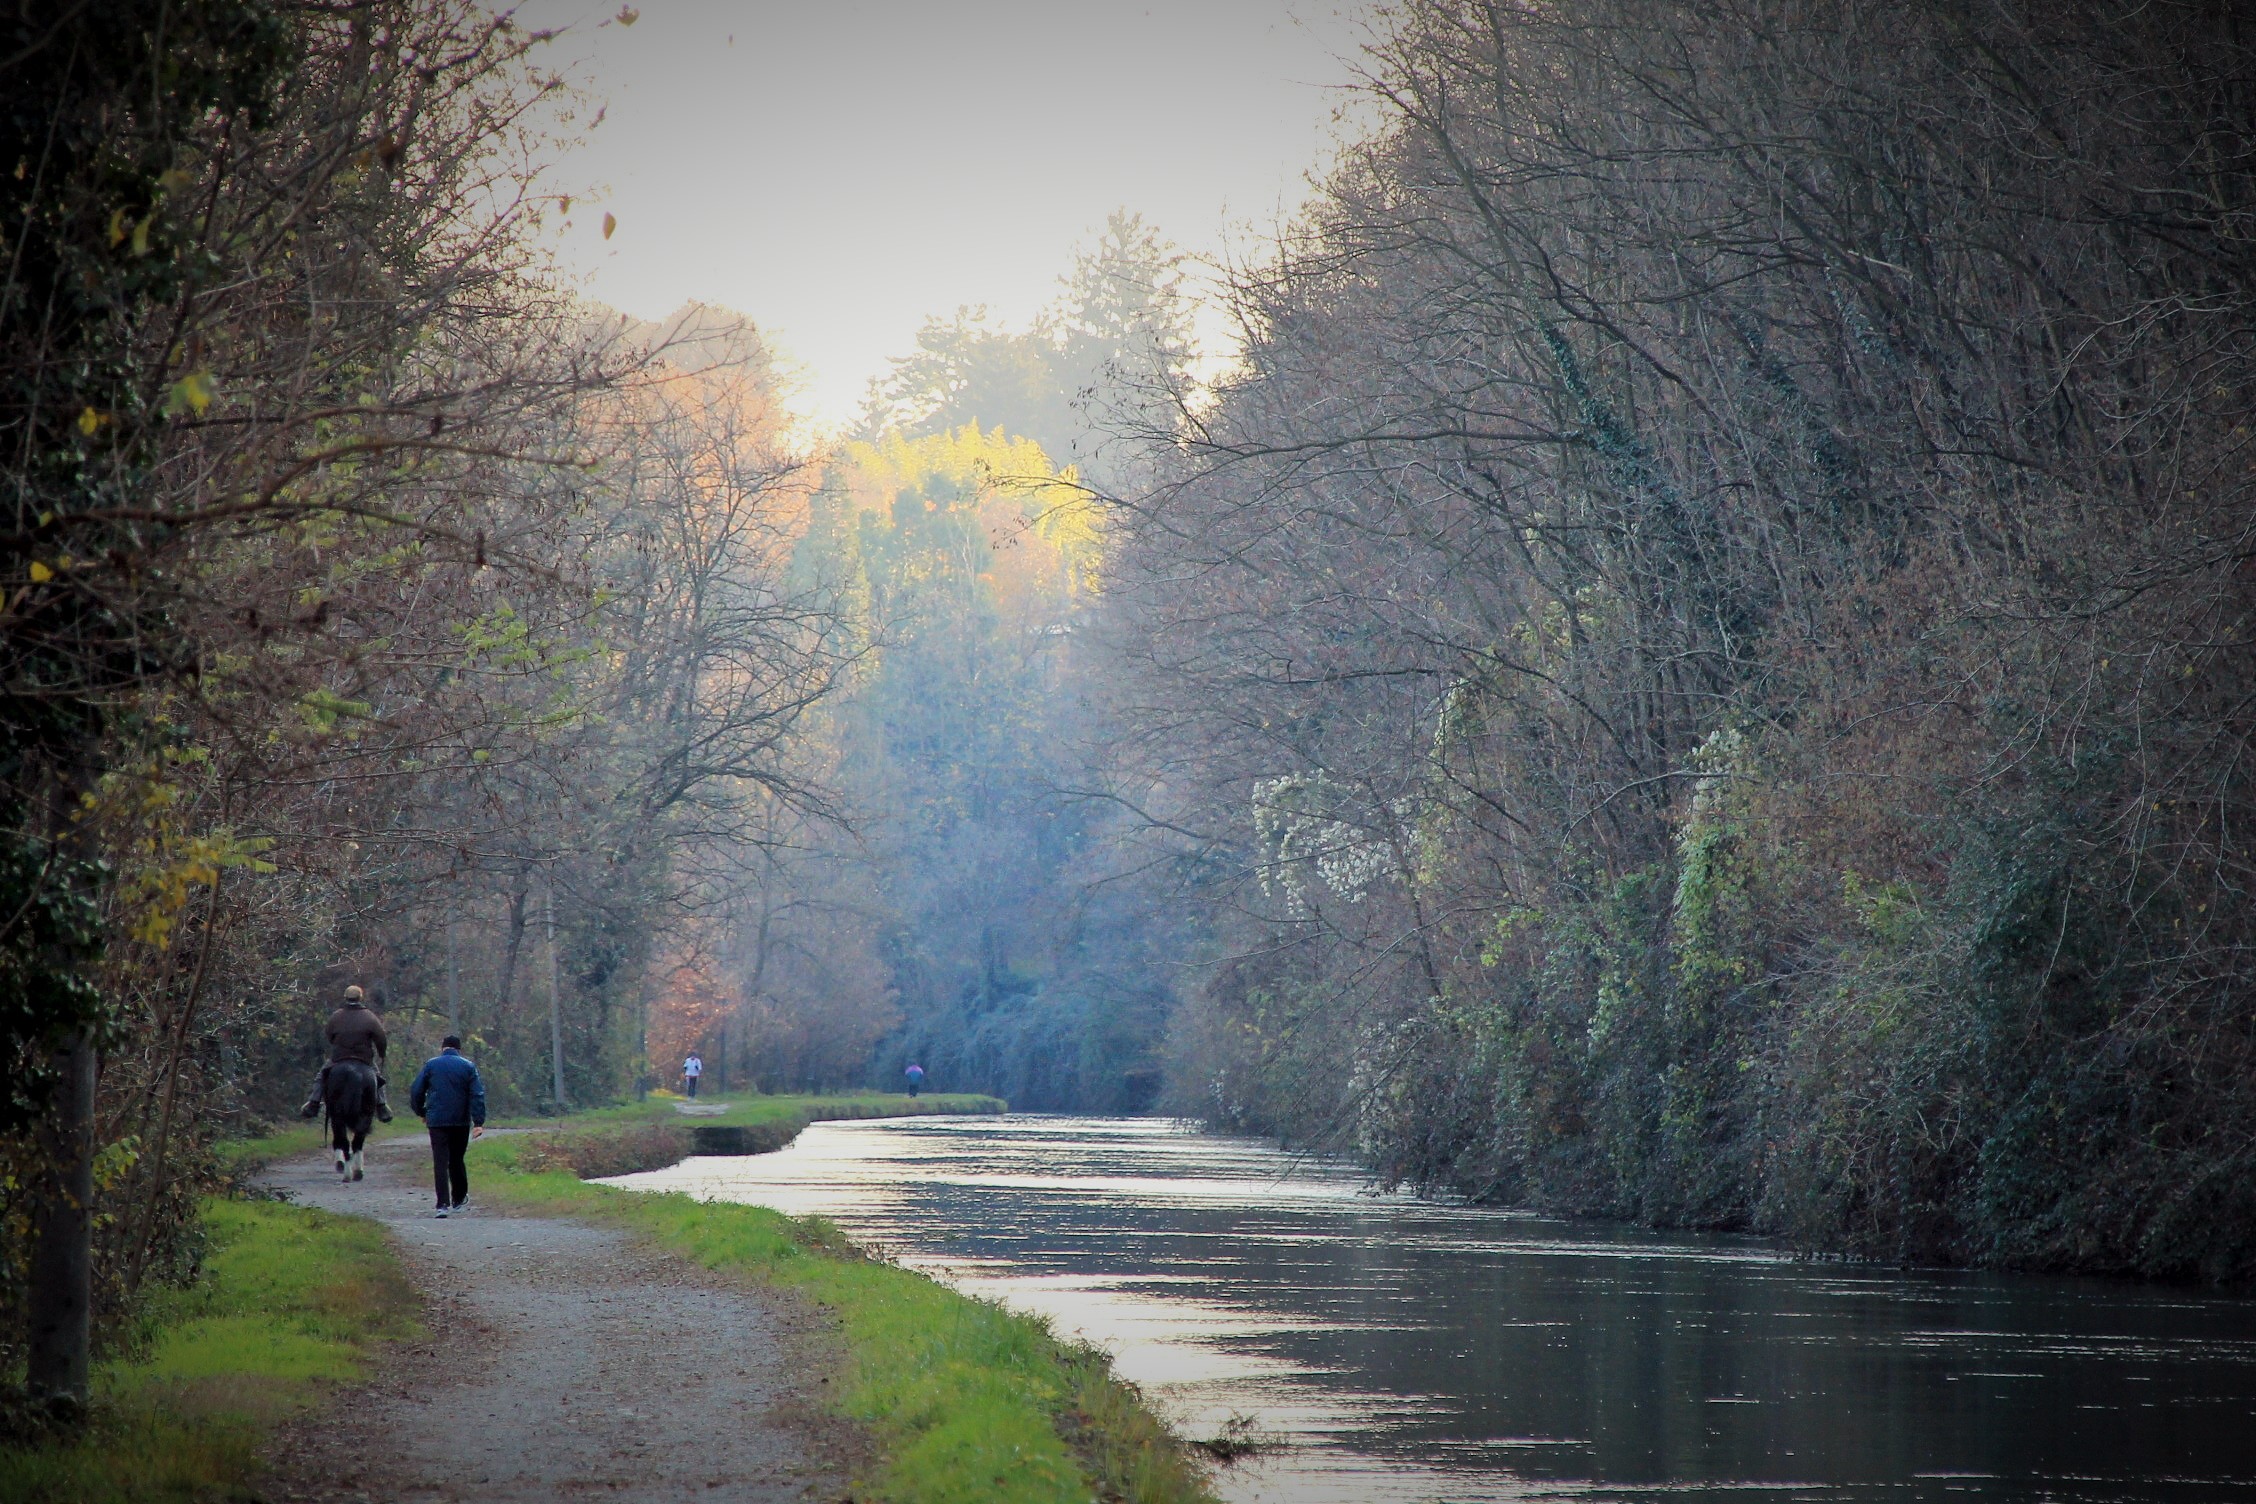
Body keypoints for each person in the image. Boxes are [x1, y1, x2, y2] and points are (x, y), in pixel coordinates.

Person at [409, 1034, 487, 1218]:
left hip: (437, 1122)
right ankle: (458, 1199)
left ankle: (442, 1205)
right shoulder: (468, 1066)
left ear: (442, 1048)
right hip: (460, 1121)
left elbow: (416, 1091)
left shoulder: (431, 1065)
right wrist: (478, 1122)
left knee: (440, 1162)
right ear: (459, 1049)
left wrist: (421, 1112)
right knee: (457, 1159)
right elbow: (477, 1094)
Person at [298, 984, 393, 1122]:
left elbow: (329, 1035)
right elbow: (381, 1038)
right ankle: (382, 1106)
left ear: (345, 997)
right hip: (363, 1058)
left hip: (339, 1057)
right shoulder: (370, 1017)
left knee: (321, 1076)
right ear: (360, 997)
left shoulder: (336, 1016)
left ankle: (313, 1103)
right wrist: (382, 1053)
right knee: (377, 1078)